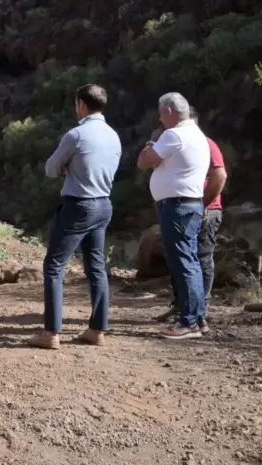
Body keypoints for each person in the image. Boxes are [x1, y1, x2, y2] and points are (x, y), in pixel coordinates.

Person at [29, 84, 122, 350]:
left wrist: (68, 168)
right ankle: (97, 329)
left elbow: (50, 168)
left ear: (81, 104)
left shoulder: (76, 135)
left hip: (78, 205)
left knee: (54, 267)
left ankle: (51, 332)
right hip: (104, 204)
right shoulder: (113, 136)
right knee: (96, 266)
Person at [137, 92, 210, 340]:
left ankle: (188, 322)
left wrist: (150, 143)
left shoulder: (173, 134)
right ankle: (197, 318)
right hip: (189, 205)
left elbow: (144, 161)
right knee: (190, 261)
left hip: (177, 207)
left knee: (184, 263)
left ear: (168, 112)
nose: (159, 119)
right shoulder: (197, 135)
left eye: (160, 114)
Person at [155, 107, 227, 332]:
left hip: (204, 209)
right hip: (188, 208)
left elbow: (220, 175)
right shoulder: (176, 145)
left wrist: (204, 203)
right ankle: (183, 306)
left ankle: (199, 312)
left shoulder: (205, 143)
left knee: (200, 259)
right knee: (181, 258)